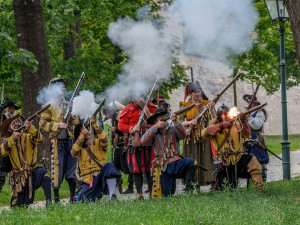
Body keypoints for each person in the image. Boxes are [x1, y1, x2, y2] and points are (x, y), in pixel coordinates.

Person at [201, 104, 264, 192]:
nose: (226, 116)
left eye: (227, 113)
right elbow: (204, 133)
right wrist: (221, 125)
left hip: (238, 158)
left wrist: (243, 121)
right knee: (225, 189)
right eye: (223, 114)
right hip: (223, 161)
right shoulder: (214, 126)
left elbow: (247, 134)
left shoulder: (237, 125)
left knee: (253, 162)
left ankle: (259, 190)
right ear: (219, 116)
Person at [39, 77, 79, 203]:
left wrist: (72, 110)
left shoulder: (68, 104)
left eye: (63, 86)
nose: (64, 88)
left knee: (72, 168)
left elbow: (76, 122)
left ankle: (72, 196)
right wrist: (58, 125)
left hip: (70, 141)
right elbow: (42, 124)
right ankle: (56, 198)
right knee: (57, 169)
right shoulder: (49, 105)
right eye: (61, 86)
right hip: (57, 141)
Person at [141, 108, 196, 196]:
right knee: (167, 194)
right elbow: (143, 142)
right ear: (155, 121)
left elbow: (183, 135)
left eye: (163, 116)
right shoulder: (153, 131)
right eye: (159, 117)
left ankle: (189, 190)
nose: (162, 118)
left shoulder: (173, 128)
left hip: (176, 162)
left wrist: (176, 122)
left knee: (191, 162)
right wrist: (155, 127)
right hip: (163, 167)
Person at [0, 114, 52, 207]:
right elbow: (1, 152)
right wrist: (13, 139)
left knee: (44, 174)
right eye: (13, 122)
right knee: (18, 206)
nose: (16, 123)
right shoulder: (7, 141)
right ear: (9, 129)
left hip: (33, 171)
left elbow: (40, 139)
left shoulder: (28, 136)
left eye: (17, 121)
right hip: (19, 178)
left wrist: (30, 127)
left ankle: (49, 202)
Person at [71, 116, 120, 202]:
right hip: (88, 180)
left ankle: (112, 195)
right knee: (85, 200)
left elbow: (105, 140)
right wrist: (82, 135)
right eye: (82, 130)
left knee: (109, 166)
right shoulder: (78, 146)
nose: (86, 131)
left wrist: (95, 123)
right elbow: (73, 152)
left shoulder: (98, 142)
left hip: (101, 176)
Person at [118, 95, 156, 199]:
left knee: (150, 167)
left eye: (142, 97)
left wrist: (148, 114)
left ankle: (152, 192)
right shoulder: (128, 109)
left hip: (149, 140)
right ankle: (139, 193)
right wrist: (132, 129)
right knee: (137, 168)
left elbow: (158, 120)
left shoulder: (150, 106)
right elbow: (121, 126)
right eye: (138, 97)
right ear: (133, 99)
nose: (141, 100)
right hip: (135, 142)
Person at [179, 81, 215, 190]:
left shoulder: (207, 104)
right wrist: (189, 123)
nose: (197, 94)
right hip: (190, 138)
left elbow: (214, 120)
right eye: (194, 92)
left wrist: (212, 108)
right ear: (190, 93)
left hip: (204, 137)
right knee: (192, 160)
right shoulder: (184, 105)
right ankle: (193, 185)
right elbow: (179, 123)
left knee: (206, 160)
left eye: (198, 91)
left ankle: (210, 183)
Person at [103, 102, 135, 194]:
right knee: (114, 166)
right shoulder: (116, 118)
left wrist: (116, 130)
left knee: (128, 167)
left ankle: (130, 186)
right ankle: (115, 185)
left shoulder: (123, 117)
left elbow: (127, 132)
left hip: (125, 145)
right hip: (118, 145)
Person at [243, 94, 269, 182]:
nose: (248, 103)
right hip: (246, 137)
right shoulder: (247, 111)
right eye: (247, 102)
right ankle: (250, 179)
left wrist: (248, 116)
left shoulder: (260, 112)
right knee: (247, 158)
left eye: (250, 102)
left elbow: (257, 125)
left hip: (256, 137)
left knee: (260, 157)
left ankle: (263, 178)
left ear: (254, 102)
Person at [0, 100, 20, 192]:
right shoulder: (1, 117)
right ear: (4, 109)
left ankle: (15, 194)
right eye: (8, 108)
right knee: (1, 175)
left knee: (16, 173)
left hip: (16, 148)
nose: (10, 110)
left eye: (12, 108)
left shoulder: (18, 119)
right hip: (3, 148)